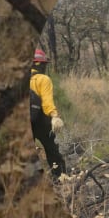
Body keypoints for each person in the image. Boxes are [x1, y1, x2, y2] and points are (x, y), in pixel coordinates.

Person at [29, 49, 68, 180]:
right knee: (52, 150)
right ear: (40, 65)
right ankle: (60, 178)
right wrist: (54, 116)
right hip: (41, 121)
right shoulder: (43, 79)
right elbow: (47, 102)